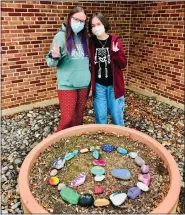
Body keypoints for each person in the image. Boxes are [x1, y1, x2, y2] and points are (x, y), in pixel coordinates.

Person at [46, 7, 91, 132]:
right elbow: (50, 62)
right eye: (76, 19)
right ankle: (57, 143)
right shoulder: (60, 37)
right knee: (67, 118)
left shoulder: (85, 38)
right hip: (67, 85)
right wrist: (54, 56)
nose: (79, 23)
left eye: (82, 21)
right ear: (70, 18)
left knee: (78, 117)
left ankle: (74, 141)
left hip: (83, 85)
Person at [88, 12, 127, 126]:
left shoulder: (115, 41)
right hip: (99, 85)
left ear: (104, 24)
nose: (96, 27)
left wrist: (116, 54)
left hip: (114, 86)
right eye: (93, 25)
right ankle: (104, 139)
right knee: (100, 115)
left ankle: (121, 139)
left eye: (98, 24)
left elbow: (123, 64)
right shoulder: (91, 43)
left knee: (116, 115)